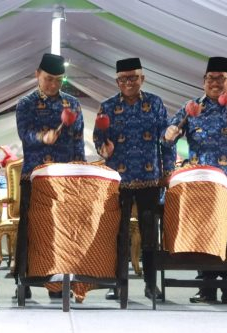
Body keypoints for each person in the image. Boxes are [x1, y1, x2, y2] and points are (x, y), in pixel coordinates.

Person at [165, 56, 227, 304]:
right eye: (211, 79)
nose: (215, 83)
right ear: (203, 81)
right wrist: (169, 134)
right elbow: (167, 137)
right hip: (200, 182)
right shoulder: (192, 108)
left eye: (221, 79)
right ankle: (206, 287)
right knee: (203, 233)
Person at [93, 57, 176, 300]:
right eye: (123, 79)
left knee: (150, 234)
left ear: (143, 78)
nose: (128, 82)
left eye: (133, 78)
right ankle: (116, 283)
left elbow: (167, 141)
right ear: (117, 81)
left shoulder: (155, 103)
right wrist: (103, 148)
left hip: (149, 179)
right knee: (117, 234)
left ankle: (151, 284)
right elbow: (99, 138)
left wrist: (168, 170)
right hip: (117, 181)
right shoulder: (106, 106)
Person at [15, 53, 85, 299]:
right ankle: (22, 282)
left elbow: (78, 142)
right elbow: (25, 134)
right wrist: (42, 137)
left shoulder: (72, 104)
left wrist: (80, 173)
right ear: (37, 75)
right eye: (48, 79)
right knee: (30, 230)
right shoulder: (26, 103)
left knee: (61, 232)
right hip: (34, 177)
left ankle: (58, 283)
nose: (53, 85)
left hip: (64, 180)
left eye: (58, 80)